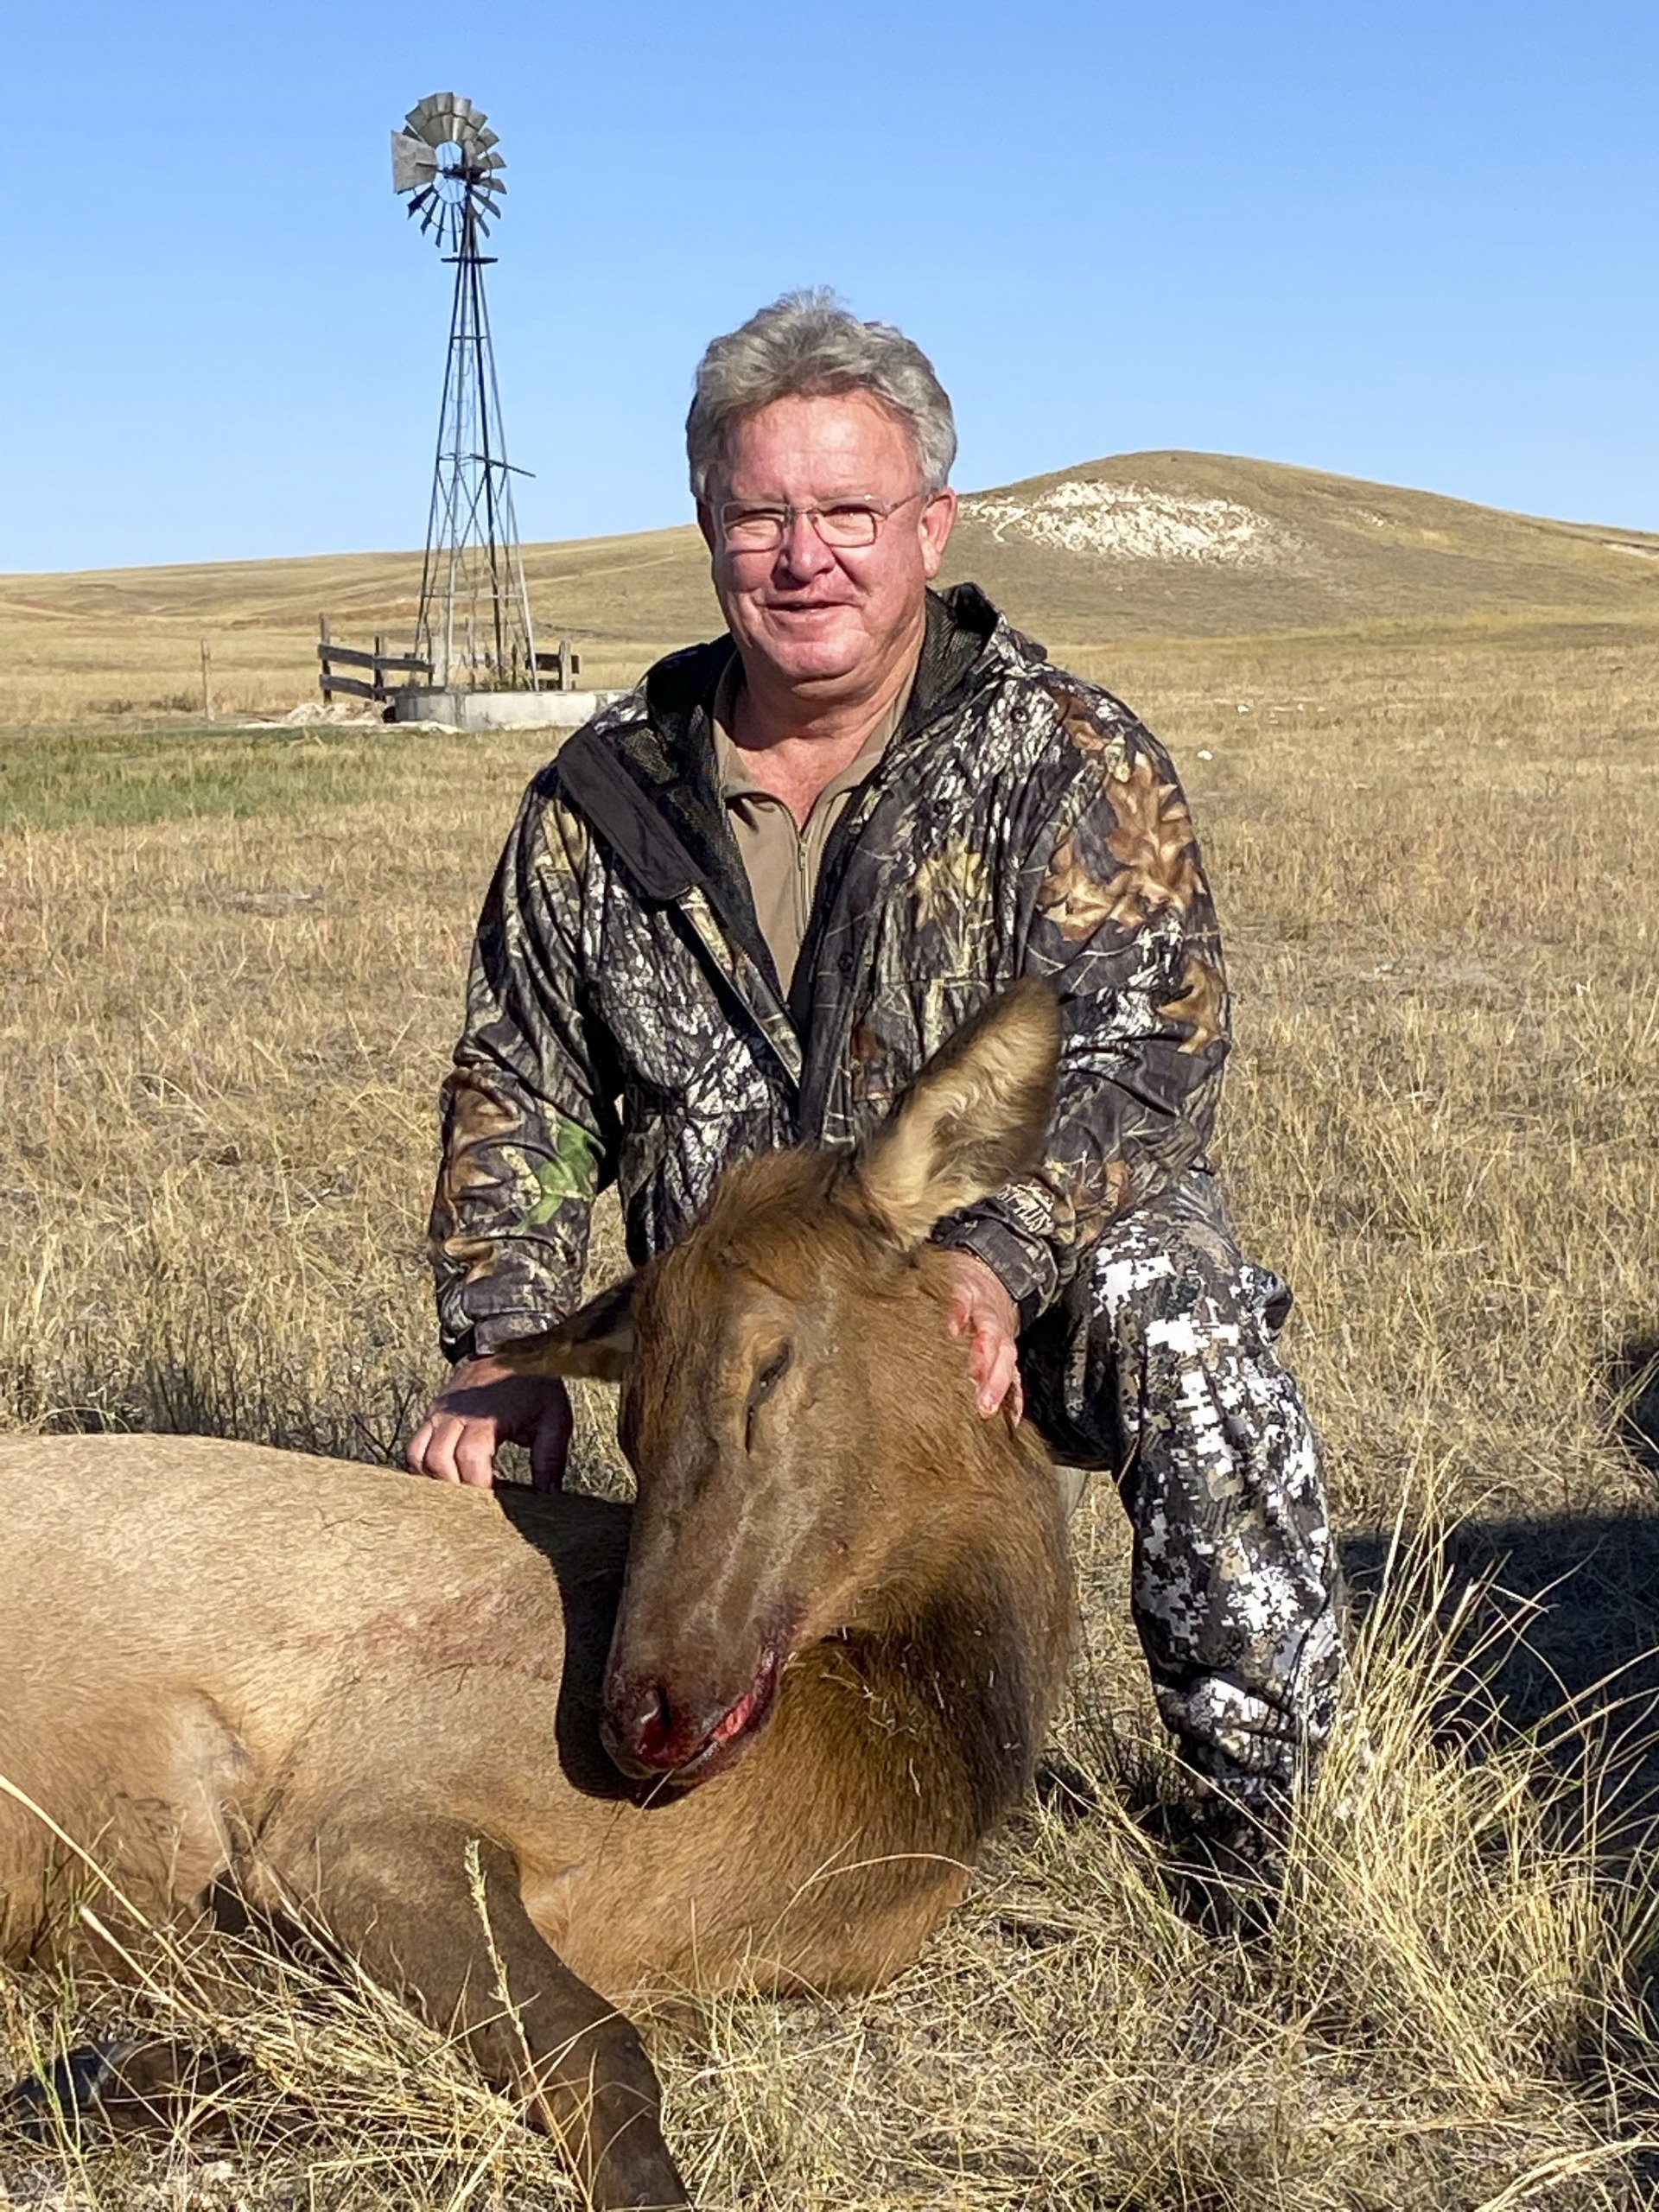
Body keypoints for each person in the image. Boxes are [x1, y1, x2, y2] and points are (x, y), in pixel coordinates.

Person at [408, 289, 1342, 1822]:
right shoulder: (600, 800)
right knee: (483, 1461)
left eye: (849, 508)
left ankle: (1257, 1813)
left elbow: (1149, 1049)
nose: (804, 555)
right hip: (740, 1332)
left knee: (1177, 1317)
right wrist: (505, 1342)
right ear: (708, 525)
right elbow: (521, 1082)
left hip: (990, 1289)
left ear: (932, 524)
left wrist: (996, 1246)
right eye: (763, 513)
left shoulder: (1063, 756)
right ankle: (517, 1805)